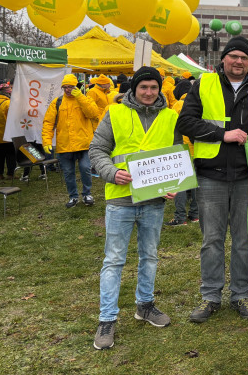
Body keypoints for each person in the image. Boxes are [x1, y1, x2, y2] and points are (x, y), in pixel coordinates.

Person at [178, 36, 248, 322]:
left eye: (244, 58)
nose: (238, 62)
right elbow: (186, 122)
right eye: (234, 56)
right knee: (211, 240)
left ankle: (241, 294)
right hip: (211, 174)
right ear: (223, 59)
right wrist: (221, 135)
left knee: (243, 240)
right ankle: (210, 296)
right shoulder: (204, 84)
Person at [89, 67, 180, 350]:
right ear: (134, 89)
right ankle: (107, 319)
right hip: (120, 199)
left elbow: (176, 154)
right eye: (144, 87)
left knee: (149, 256)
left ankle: (145, 305)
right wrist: (111, 172)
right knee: (114, 261)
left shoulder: (170, 117)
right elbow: (96, 150)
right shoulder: (114, 113)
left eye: (154, 87)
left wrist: (174, 182)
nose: (149, 92)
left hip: (153, 202)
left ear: (160, 89)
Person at [42, 74, 101, 208]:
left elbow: (93, 113)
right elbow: (48, 123)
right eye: (65, 87)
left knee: (85, 168)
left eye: (71, 87)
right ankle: (73, 197)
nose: (68, 89)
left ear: (77, 86)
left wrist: (80, 97)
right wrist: (46, 141)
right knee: (68, 173)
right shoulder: (57, 102)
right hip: (65, 145)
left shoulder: (84, 99)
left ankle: (87, 194)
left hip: (84, 143)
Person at [166, 80, 198, 226]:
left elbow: (172, 129)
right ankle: (195, 215)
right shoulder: (199, 104)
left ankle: (180, 217)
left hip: (181, 150)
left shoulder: (177, 106)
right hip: (197, 150)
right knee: (196, 184)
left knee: (181, 185)